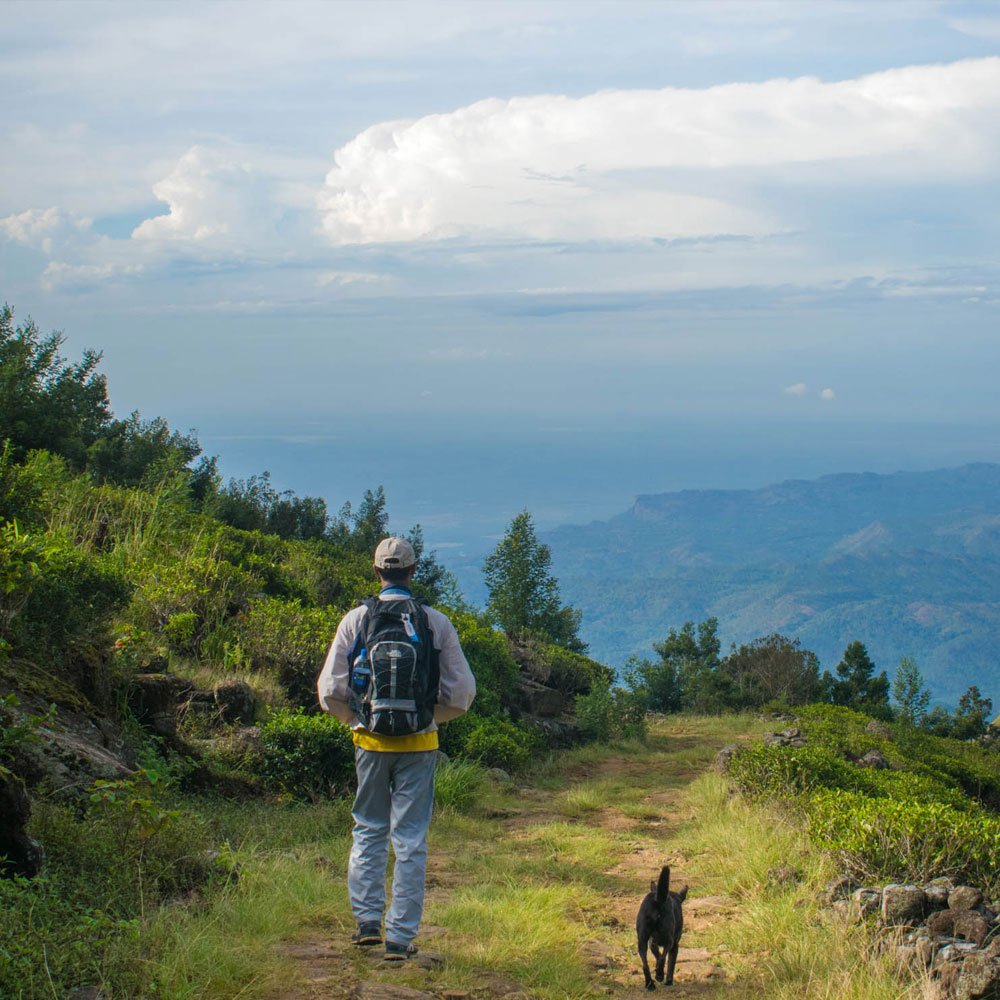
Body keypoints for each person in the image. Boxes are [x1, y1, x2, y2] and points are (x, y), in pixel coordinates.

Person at [317, 536, 476, 960]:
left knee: (368, 829)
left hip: (369, 742)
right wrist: (428, 719)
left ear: (376, 571)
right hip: (420, 743)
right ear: (412, 570)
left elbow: (330, 689)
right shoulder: (434, 622)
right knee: (410, 839)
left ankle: (367, 921)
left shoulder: (355, 620)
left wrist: (355, 720)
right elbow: (462, 693)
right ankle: (400, 938)